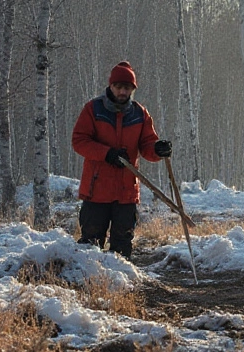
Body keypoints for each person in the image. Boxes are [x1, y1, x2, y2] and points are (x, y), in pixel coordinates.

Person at [71, 61, 171, 259]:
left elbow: (147, 146)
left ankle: (121, 285)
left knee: (123, 246)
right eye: (118, 87)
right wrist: (106, 153)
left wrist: (158, 150)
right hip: (96, 191)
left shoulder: (140, 114)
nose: (122, 91)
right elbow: (79, 141)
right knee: (90, 244)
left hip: (126, 193)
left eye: (127, 88)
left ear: (132, 90)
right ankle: (91, 285)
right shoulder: (93, 110)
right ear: (110, 86)